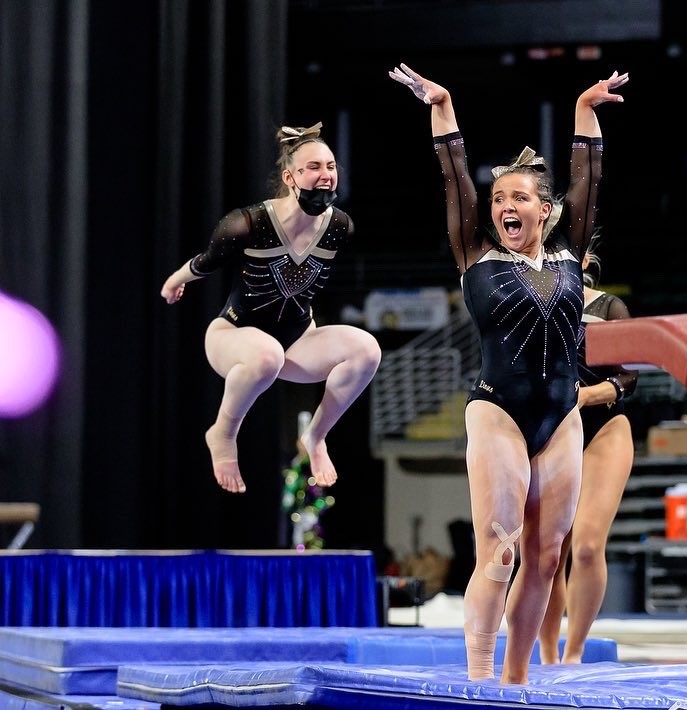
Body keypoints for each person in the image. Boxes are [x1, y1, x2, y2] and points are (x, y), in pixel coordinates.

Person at [389, 63, 628, 683]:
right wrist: (442, 108)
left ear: (546, 210)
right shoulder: (475, 254)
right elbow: (453, 175)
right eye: (498, 199)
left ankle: (517, 680)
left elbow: (589, 179)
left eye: (518, 198)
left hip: (561, 415)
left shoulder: (570, 253)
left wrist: (584, 112)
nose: (504, 206)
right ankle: (478, 678)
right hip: (498, 411)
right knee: (499, 552)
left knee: (545, 560)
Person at [160, 122, 381, 494]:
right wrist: (174, 280)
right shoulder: (248, 223)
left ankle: (316, 436)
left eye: (330, 166)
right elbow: (207, 261)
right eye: (313, 167)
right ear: (290, 178)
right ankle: (223, 433)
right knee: (266, 356)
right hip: (232, 336)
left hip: (297, 341)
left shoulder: (340, 227)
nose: (325, 175)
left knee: (366, 350)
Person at [538, 238, 638, 664]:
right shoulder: (531, 306)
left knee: (586, 545)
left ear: (584, 259)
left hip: (604, 429)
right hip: (552, 432)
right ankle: (546, 653)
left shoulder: (608, 307)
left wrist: (587, 395)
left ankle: (575, 652)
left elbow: (629, 377)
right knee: (548, 553)